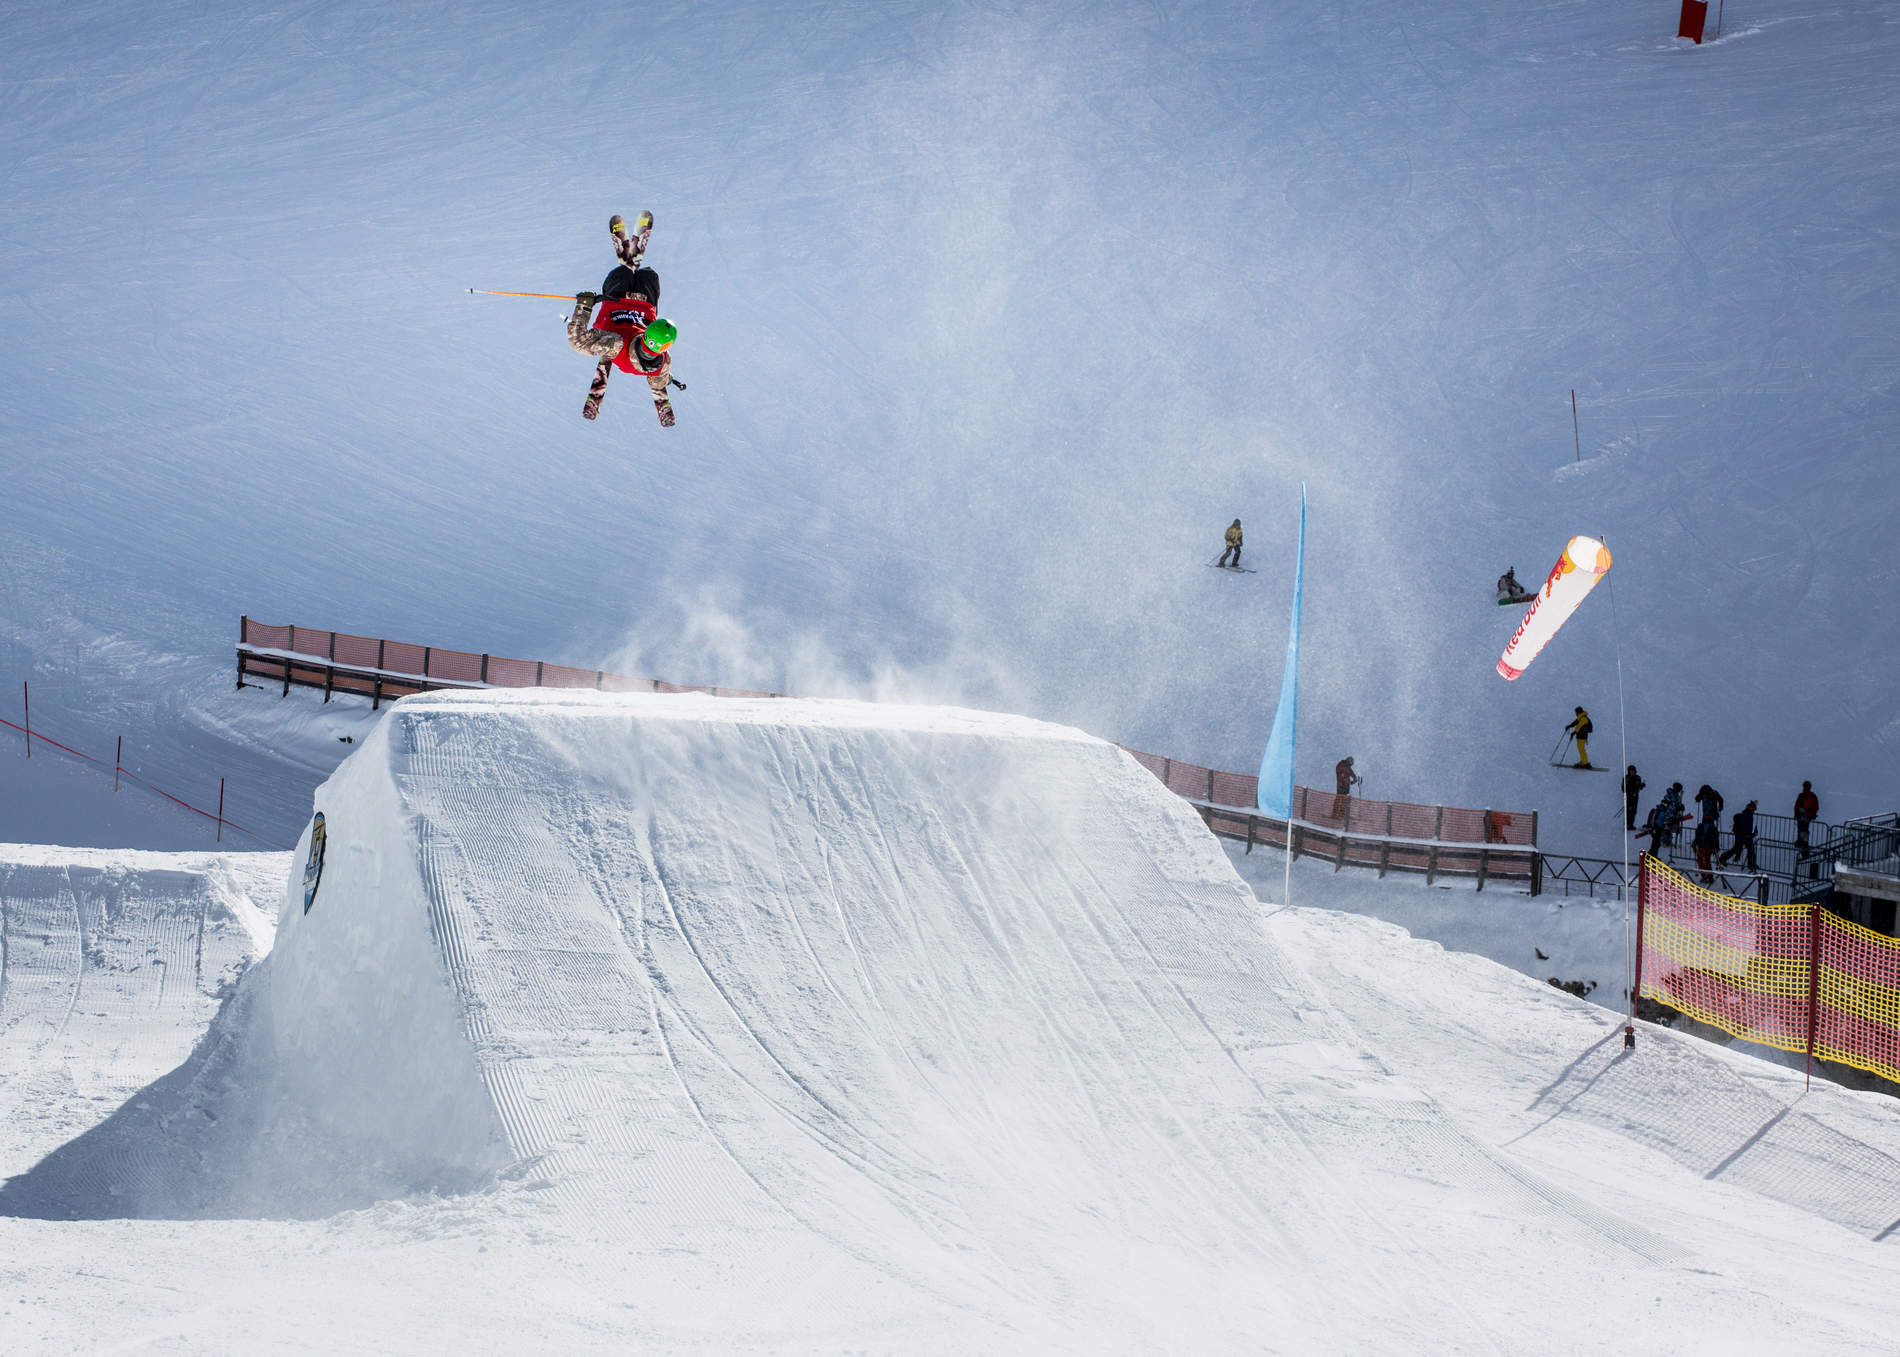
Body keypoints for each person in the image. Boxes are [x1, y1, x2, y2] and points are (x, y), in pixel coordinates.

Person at [567, 212, 680, 422]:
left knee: (623, 273)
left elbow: (578, 342)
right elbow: (659, 379)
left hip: (616, 301)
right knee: (649, 274)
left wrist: (584, 306)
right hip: (645, 303)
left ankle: (627, 269)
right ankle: (634, 271)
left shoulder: (615, 344)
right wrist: (667, 379)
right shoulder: (663, 361)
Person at [1718, 800, 1758, 871]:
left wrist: (1751, 834)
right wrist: (1750, 835)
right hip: (1743, 836)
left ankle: (1722, 858)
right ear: (1749, 807)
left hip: (1743, 835)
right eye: (1753, 808)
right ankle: (1751, 864)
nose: (1753, 810)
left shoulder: (1748, 814)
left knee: (1745, 849)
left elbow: (1747, 827)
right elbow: (1744, 827)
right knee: (1743, 849)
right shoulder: (1746, 815)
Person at [1794, 780, 1819, 854]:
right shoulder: (1813, 796)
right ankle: (1805, 844)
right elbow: (1816, 807)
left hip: (1801, 816)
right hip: (1809, 817)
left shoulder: (1802, 795)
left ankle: (1801, 844)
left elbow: (1796, 806)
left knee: (1800, 829)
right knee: (1805, 830)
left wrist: (1796, 814)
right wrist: (1813, 814)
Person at [1693, 817, 1719, 884]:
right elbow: (1716, 839)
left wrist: (1694, 844)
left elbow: (1697, 836)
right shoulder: (1713, 828)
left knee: (1701, 862)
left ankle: (1704, 876)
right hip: (1709, 847)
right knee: (1707, 862)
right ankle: (1710, 877)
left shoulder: (1700, 826)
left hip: (1702, 846)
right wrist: (1716, 847)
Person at [1622, 766, 1645, 831]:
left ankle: (1631, 824)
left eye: (1633, 771)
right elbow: (1623, 788)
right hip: (1628, 797)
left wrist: (1642, 786)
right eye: (1631, 771)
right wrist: (1630, 793)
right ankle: (1627, 824)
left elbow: (1639, 787)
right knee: (1628, 811)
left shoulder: (1638, 778)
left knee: (1634, 811)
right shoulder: (1626, 778)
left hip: (1635, 797)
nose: (1632, 773)